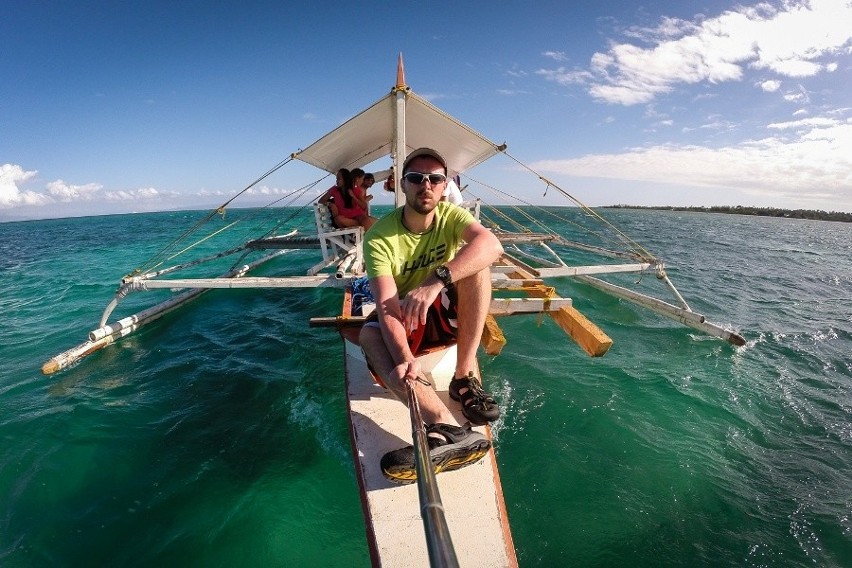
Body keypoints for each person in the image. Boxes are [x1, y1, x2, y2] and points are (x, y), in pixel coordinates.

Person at [359, 148, 504, 483]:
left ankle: (463, 377)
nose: (426, 184)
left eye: (435, 179)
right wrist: (404, 357)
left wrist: (434, 281)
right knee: (369, 334)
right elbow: (386, 305)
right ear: (402, 185)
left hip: (437, 314)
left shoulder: (451, 217)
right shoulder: (380, 236)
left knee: (477, 268)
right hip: (407, 319)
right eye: (416, 178)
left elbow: (492, 245)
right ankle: (445, 426)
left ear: (444, 188)